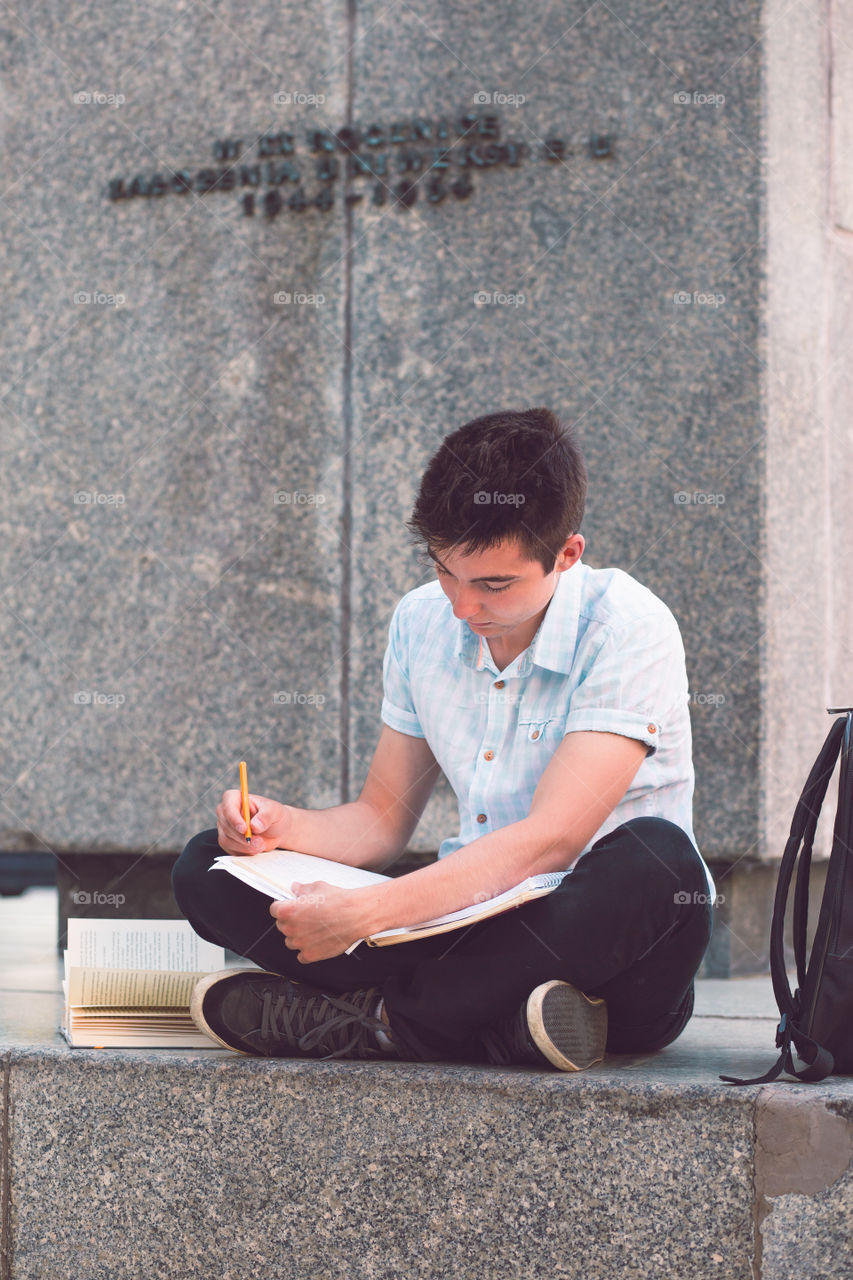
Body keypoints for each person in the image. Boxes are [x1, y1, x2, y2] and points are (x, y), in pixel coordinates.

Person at [173, 407, 714, 1071]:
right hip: (461, 932)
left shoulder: (627, 626)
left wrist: (367, 914)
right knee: (207, 865)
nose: (463, 607)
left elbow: (553, 840)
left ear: (566, 554)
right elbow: (379, 822)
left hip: (605, 950)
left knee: (657, 860)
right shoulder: (421, 621)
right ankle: (495, 1026)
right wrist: (282, 829)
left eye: (493, 584)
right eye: (445, 571)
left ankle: (382, 1023)